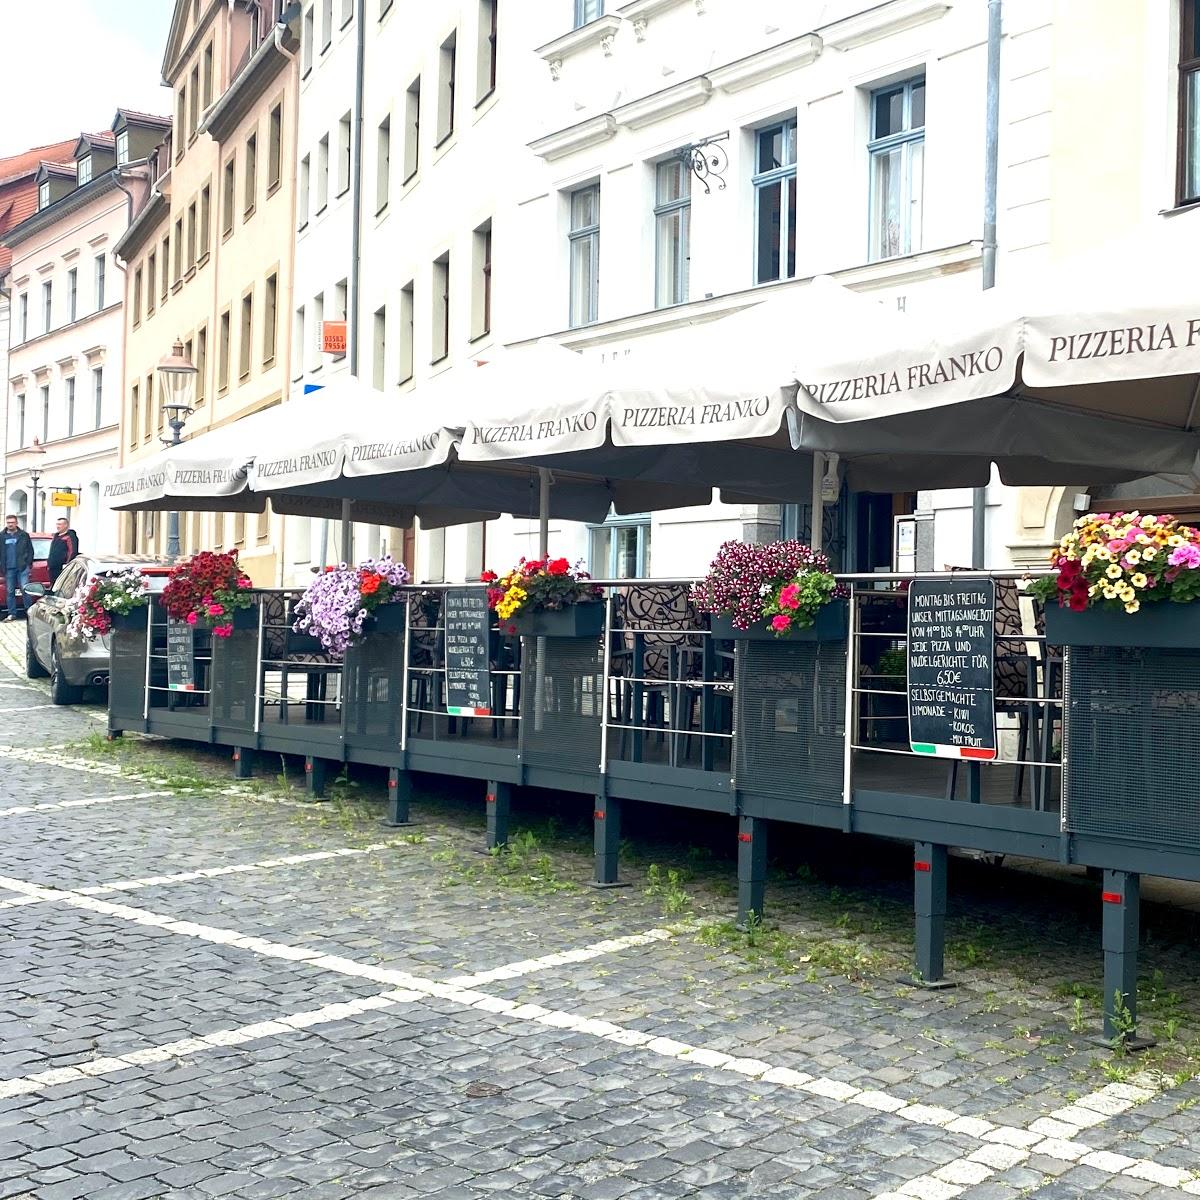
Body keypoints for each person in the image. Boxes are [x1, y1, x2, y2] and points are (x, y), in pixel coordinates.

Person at [3, 515, 34, 621]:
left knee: (25, 590)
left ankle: (29, 613)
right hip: (8, 568)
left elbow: (30, 550)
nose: (10, 524)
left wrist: (28, 563)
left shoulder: (23, 535)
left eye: (12, 522)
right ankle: (12, 614)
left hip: (22, 568)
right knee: (10, 591)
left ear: (16, 523)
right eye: (8, 522)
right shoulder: (2, 536)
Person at [47, 517, 79, 586]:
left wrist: (67, 564)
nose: (57, 526)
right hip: (53, 568)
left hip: (62, 568)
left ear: (66, 525)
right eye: (57, 524)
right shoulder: (56, 536)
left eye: (60, 524)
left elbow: (72, 551)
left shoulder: (70, 537)